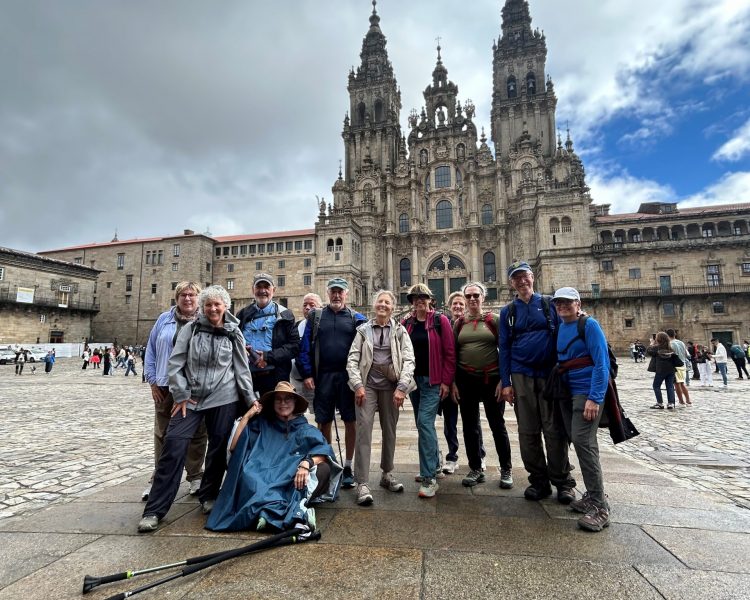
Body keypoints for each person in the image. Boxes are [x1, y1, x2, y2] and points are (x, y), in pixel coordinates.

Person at [138, 285, 256, 533]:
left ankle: (209, 495)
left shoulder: (234, 333)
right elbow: (176, 362)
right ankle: (155, 510)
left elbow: (241, 369)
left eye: (217, 304)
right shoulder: (191, 330)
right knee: (174, 444)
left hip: (224, 397)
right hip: (190, 398)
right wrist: (180, 394)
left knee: (217, 447)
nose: (213, 308)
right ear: (203, 308)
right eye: (209, 304)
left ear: (226, 307)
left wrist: (250, 400)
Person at [206, 381, 341, 533]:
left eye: (288, 399)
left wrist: (306, 463)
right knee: (249, 477)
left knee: (322, 470)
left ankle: (269, 512)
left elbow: (323, 452)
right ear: (273, 402)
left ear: (295, 402)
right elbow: (234, 447)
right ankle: (274, 512)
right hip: (261, 471)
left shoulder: (305, 428)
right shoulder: (262, 424)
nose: (283, 403)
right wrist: (248, 416)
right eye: (278, 399)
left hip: (290, 475)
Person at [499, 261, 574, 503]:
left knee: (554, 430)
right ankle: (538, 481)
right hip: (521, 376)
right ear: (511, 283)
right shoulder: (507, 312)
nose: (521, 281)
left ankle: (563, 482)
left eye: (525, 276)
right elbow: (504, 348)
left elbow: (565, 334)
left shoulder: (549, 304)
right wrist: (506, 381)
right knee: (528, 431)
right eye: (516, 278)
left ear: (532, 277)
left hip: (549, 375)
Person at [549, 287, 611, 532]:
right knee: (579, 440)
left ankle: (600, 506)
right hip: (568, 390)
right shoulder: (562, 326)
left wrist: (595, 398)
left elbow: (601, 363)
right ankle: (592, 497)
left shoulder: (590, 325)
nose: (562, 306)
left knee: (584, 443)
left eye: (567, 302)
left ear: (578, 303)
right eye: (558, 303)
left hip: (587, 392)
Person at [346, 290, 415, 505]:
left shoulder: (400, 331)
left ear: (393, 307)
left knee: (390, 431)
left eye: (387, 302)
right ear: (374, 305)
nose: (383, 305)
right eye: (379, 301)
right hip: (367, 387)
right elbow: (352, 359)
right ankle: (363, 482)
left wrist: (402, 387)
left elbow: (409, 359)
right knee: (363, 431)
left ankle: (387, 474)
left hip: (392, 387)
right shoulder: (362, 331)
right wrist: (357, 385)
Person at [298, 277, 367, 490]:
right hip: (324, 376)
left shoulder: (358, 319)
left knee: (350, 420)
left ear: (347, 294)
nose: (337, 295)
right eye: (333, 291)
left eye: (341, 291)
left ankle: (347, 465)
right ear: (328, 293)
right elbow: (304, 348)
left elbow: (368, 349)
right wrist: (307, 374)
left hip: (348, 378)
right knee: (323, 420)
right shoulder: (316, 317)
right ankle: (328, 461)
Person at [142, 281, 208, 502]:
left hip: (194, 388)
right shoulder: (163, 319)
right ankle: (159, 480)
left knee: (198, 433)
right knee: (162, 434)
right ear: (176, 298)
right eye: (183, 295)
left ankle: (195, 476)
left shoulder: (205, 319)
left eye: (192, 295)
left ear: (198, 298)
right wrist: (152, 381)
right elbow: (150, 350)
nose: (187, 299)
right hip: (164, 385)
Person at [454, 282, 513, 490]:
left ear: (483, 298)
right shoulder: (459, 323)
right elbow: (452, 353)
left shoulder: (494, 320)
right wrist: (453, 382)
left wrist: (504, 382)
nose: (472, 299)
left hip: (491, 380)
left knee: (497, 425)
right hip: (466, 380)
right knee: (470, 427)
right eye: (468, 296)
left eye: (475, 295)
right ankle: (475, 468)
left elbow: (505, 351)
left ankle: (506, 468)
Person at [401, 284, 455, 498]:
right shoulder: (407, 324)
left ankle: (429, 477)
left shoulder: (440, 321)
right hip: (414, 383)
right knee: (424, 425)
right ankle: (435, 464)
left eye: (423, 297)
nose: (419, 301)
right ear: (412, 302)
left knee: (424, 423)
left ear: (430, 299)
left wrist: (446, 381)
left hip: (434, 382)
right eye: (415, 298)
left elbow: (450, 353)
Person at [442, 291, 485, 474]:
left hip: (468, 380)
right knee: (450, 421)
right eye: (455, 304)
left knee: (473, 421)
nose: (458, 307)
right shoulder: (444, 324)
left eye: (461, 304)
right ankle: (452, 457)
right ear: (449, 307)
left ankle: (479, 456)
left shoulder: (472, 323)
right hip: (449, 380)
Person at [236, 273, 300, 397]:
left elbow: (294, 347)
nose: (263, 291)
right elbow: (234, 341)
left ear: (273, 290)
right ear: (253, 290)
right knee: (249, 414)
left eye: (266, 287)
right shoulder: (242, 315)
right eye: (259, 287)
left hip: (275, 377)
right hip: (247, 377)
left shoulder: (285, 315)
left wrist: (266, 357)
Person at [290, 292, 323, 410]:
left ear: (320, 307)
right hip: (295, 379)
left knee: (318, 412)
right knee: (296, 412)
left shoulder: (323, 326)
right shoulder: (296, 326)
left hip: (315, 380)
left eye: (312, 305)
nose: (307, 308)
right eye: (305, 305)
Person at [647, 332, 681, 409]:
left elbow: (649, 351)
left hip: (661, 370)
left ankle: (660, 403)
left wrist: (652, 343)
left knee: (656, 386)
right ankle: (671, 403)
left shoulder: (656, 348)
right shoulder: (670, 348)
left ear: (658, 339)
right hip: (671, 370)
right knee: (670, 386)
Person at [667, 329, 691, 406]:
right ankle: (688, 400)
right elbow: (686, 354)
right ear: (675, 334)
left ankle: (681, 401)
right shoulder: (681, 342)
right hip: (683, 364)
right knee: (682, 383)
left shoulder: (670, 344)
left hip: (675, 365)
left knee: (677, 384)